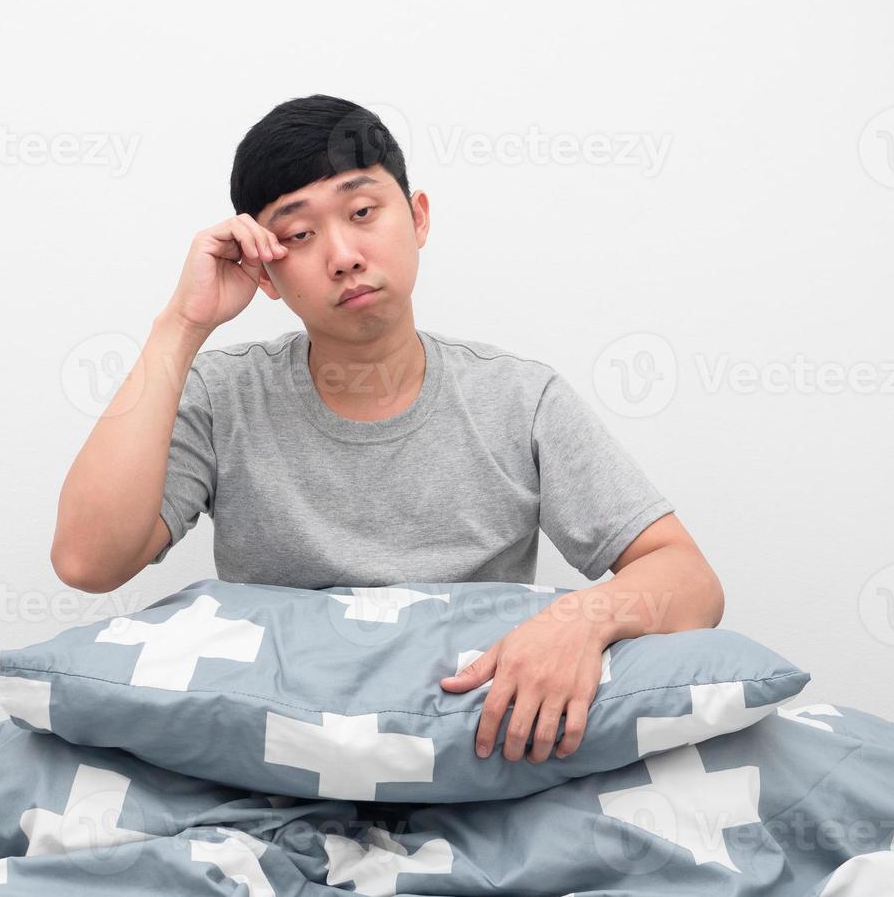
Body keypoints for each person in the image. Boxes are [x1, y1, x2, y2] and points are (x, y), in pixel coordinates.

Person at [51, 94, 724, 765]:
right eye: (298, 235)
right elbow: (88, 561)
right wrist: (181, 326)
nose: (342, 255)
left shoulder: (519, 398)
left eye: (362, 211)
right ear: (265, 272)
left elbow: (688, 579)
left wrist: (578, 623)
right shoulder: (224, 395)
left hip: (469, 747)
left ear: (418, 217)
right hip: (281, 751)